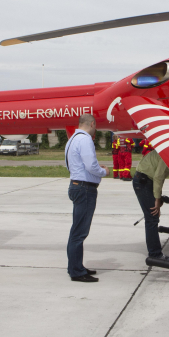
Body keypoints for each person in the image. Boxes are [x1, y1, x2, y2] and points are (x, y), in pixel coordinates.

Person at [65, 113, 108, 283]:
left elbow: (73, 164)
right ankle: (76, 271)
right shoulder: (85, 140)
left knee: (78, 230)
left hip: (76, 185)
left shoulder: (72, 139)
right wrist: (104, 171)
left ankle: (77, 266)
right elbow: (90, 165)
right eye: (95, 126)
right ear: (92, 123)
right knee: (79, 232)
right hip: (85, 189)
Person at [131, 143, 169, 262]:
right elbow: (158, 177)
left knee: (152, 217)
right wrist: (157, 199)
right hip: (144, 182)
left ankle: (155, 252)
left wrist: (158, 197)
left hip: (145, 181)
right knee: (152, 218)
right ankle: (155, 254)